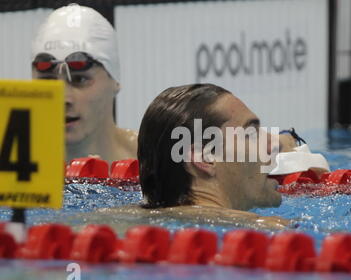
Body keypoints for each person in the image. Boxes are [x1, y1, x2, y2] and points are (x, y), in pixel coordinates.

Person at [103, 83, 291, 230]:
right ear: (205, 157)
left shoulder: (114, 219)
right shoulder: (267, 229)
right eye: (251, 133)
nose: (275, 144)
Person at [31, 4, 137, 163]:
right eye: (48, 81)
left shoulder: (153, 161)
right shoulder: (14, 167)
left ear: (114, 80)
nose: (62, 98)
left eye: (79, 80)